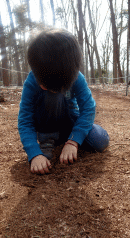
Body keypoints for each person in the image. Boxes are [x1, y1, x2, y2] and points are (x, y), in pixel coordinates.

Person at [18, 29, 109, 175]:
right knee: (52, 97)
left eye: (47, 84)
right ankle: (48, 139)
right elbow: (25, 119)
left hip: (69, 121)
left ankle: (65, 138)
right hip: (45, 123)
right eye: (41, 80)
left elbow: (88, 108)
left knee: (99, 140)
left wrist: (74, 141)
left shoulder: (77, 77)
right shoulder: (32, 80)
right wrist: (33, 153)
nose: (42, 85)